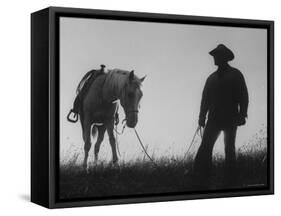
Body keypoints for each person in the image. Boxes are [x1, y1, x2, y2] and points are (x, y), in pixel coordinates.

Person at [193, 44, 249, 186]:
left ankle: (230, 181)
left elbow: (243, 96)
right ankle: (203, 179)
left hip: (231, 118)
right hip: (213, 119)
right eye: (214, 56)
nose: (214, 58)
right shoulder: (211, 78)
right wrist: (201, 117)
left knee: (229, 149)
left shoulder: (236, 74)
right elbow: (205, 99)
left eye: (216, 56)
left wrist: (242, 115)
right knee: (206, 147)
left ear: (223, 57)